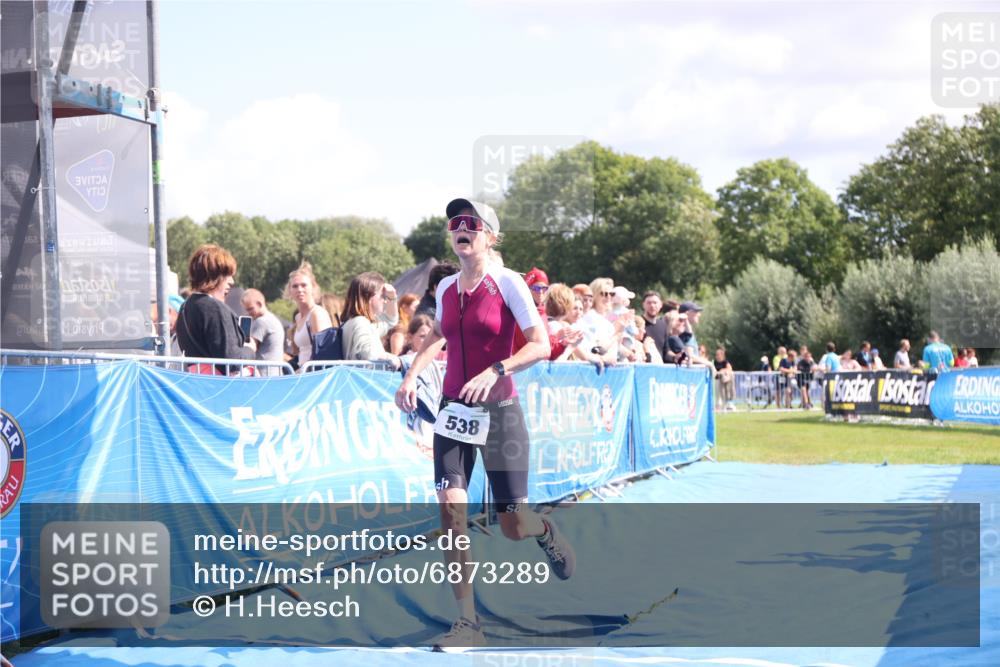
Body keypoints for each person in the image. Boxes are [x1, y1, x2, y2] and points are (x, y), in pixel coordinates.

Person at [395, 198, 575, 651]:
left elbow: (538, 346)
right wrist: (413, 376)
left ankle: (545, 530)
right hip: (454, 412)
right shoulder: (447, 287)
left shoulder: (508, 282)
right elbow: (437, 336)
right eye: (455, 223)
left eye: (472, 223)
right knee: (451, 512)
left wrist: (497, 370)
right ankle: (468, 621)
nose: (462, 228)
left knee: (514, 525)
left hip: (500, 413)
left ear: (490, 237)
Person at [175, 244, 254, 373]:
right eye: (227, 275)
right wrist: (250, 350)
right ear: (213, 275)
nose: (232, 282)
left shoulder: (186, 307)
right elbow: (232, 362)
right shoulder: (214, 308)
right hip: (220, 387)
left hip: (199, 384)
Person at [340, 272, 401, 368]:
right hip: (364, 380)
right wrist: (392, 358)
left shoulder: (358, 322)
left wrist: (392, 296)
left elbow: (390, 320)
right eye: (383, 296)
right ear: (369, 297)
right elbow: (367, 353)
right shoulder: (360, 322)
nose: (385, 301)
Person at [287, 262, 333, 368]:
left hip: (315, 374)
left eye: (304, 285)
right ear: (290, 290)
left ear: (313, 287)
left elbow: (322, 352)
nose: (300, 290)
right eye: (295, 286)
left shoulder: (316, 314)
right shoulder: (298, 317)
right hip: (303, 372)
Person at [241, 288, 286, 375]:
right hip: (275, 372)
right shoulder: (273, 319)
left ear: (259, 303)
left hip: (264, 374)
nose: (248, 313)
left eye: (250, 309)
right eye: (247, 310)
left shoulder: (261, 322)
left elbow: (251, 347)